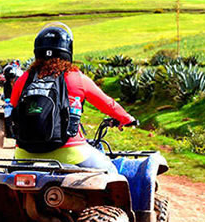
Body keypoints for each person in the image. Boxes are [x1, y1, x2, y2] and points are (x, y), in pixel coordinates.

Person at [10, 23, 136, 172]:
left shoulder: (25, 78)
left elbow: (14, 106)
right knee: (112, 172)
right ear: (67, 51)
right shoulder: (76, 78)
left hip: (24, 154)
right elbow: (107, 104)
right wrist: (126, 119)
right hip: (69, 152)